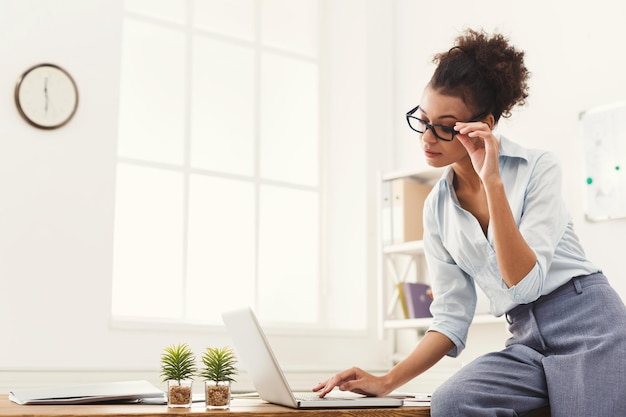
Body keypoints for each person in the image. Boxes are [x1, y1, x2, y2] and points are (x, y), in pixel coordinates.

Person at [312, 28, 626, 417]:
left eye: (445, 127)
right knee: (453, 401)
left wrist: (491, 181)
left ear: (484, 125)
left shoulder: (538, 168)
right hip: (526, 339)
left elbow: (525, 283)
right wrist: (386, 380)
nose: (428, 137)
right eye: (423, 119)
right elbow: (450, 318)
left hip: (590, 328)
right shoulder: (437, 209)